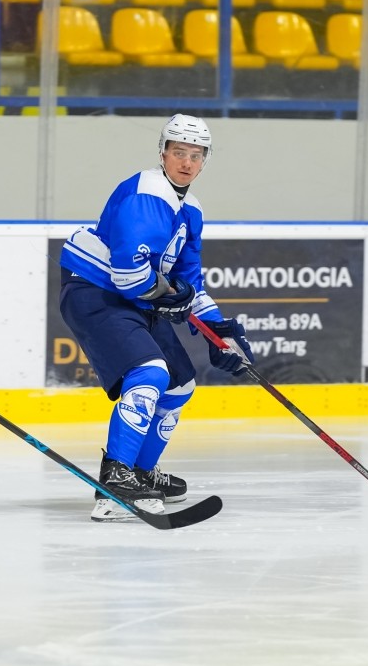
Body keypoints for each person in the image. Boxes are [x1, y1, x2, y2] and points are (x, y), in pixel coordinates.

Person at [59, 114, 255, 522]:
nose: (187, 162)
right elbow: (128, 275)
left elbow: (189, 283)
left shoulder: (191, 209)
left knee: (180, 386)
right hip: (96, 292)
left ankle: (140, 472)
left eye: (196, 155)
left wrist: (220, 333)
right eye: (179, 152)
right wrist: (170, 296)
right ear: (163, 153)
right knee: (149, 372)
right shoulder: (148, 193)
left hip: (136, 300)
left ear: (205, 161)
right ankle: (116, 479)